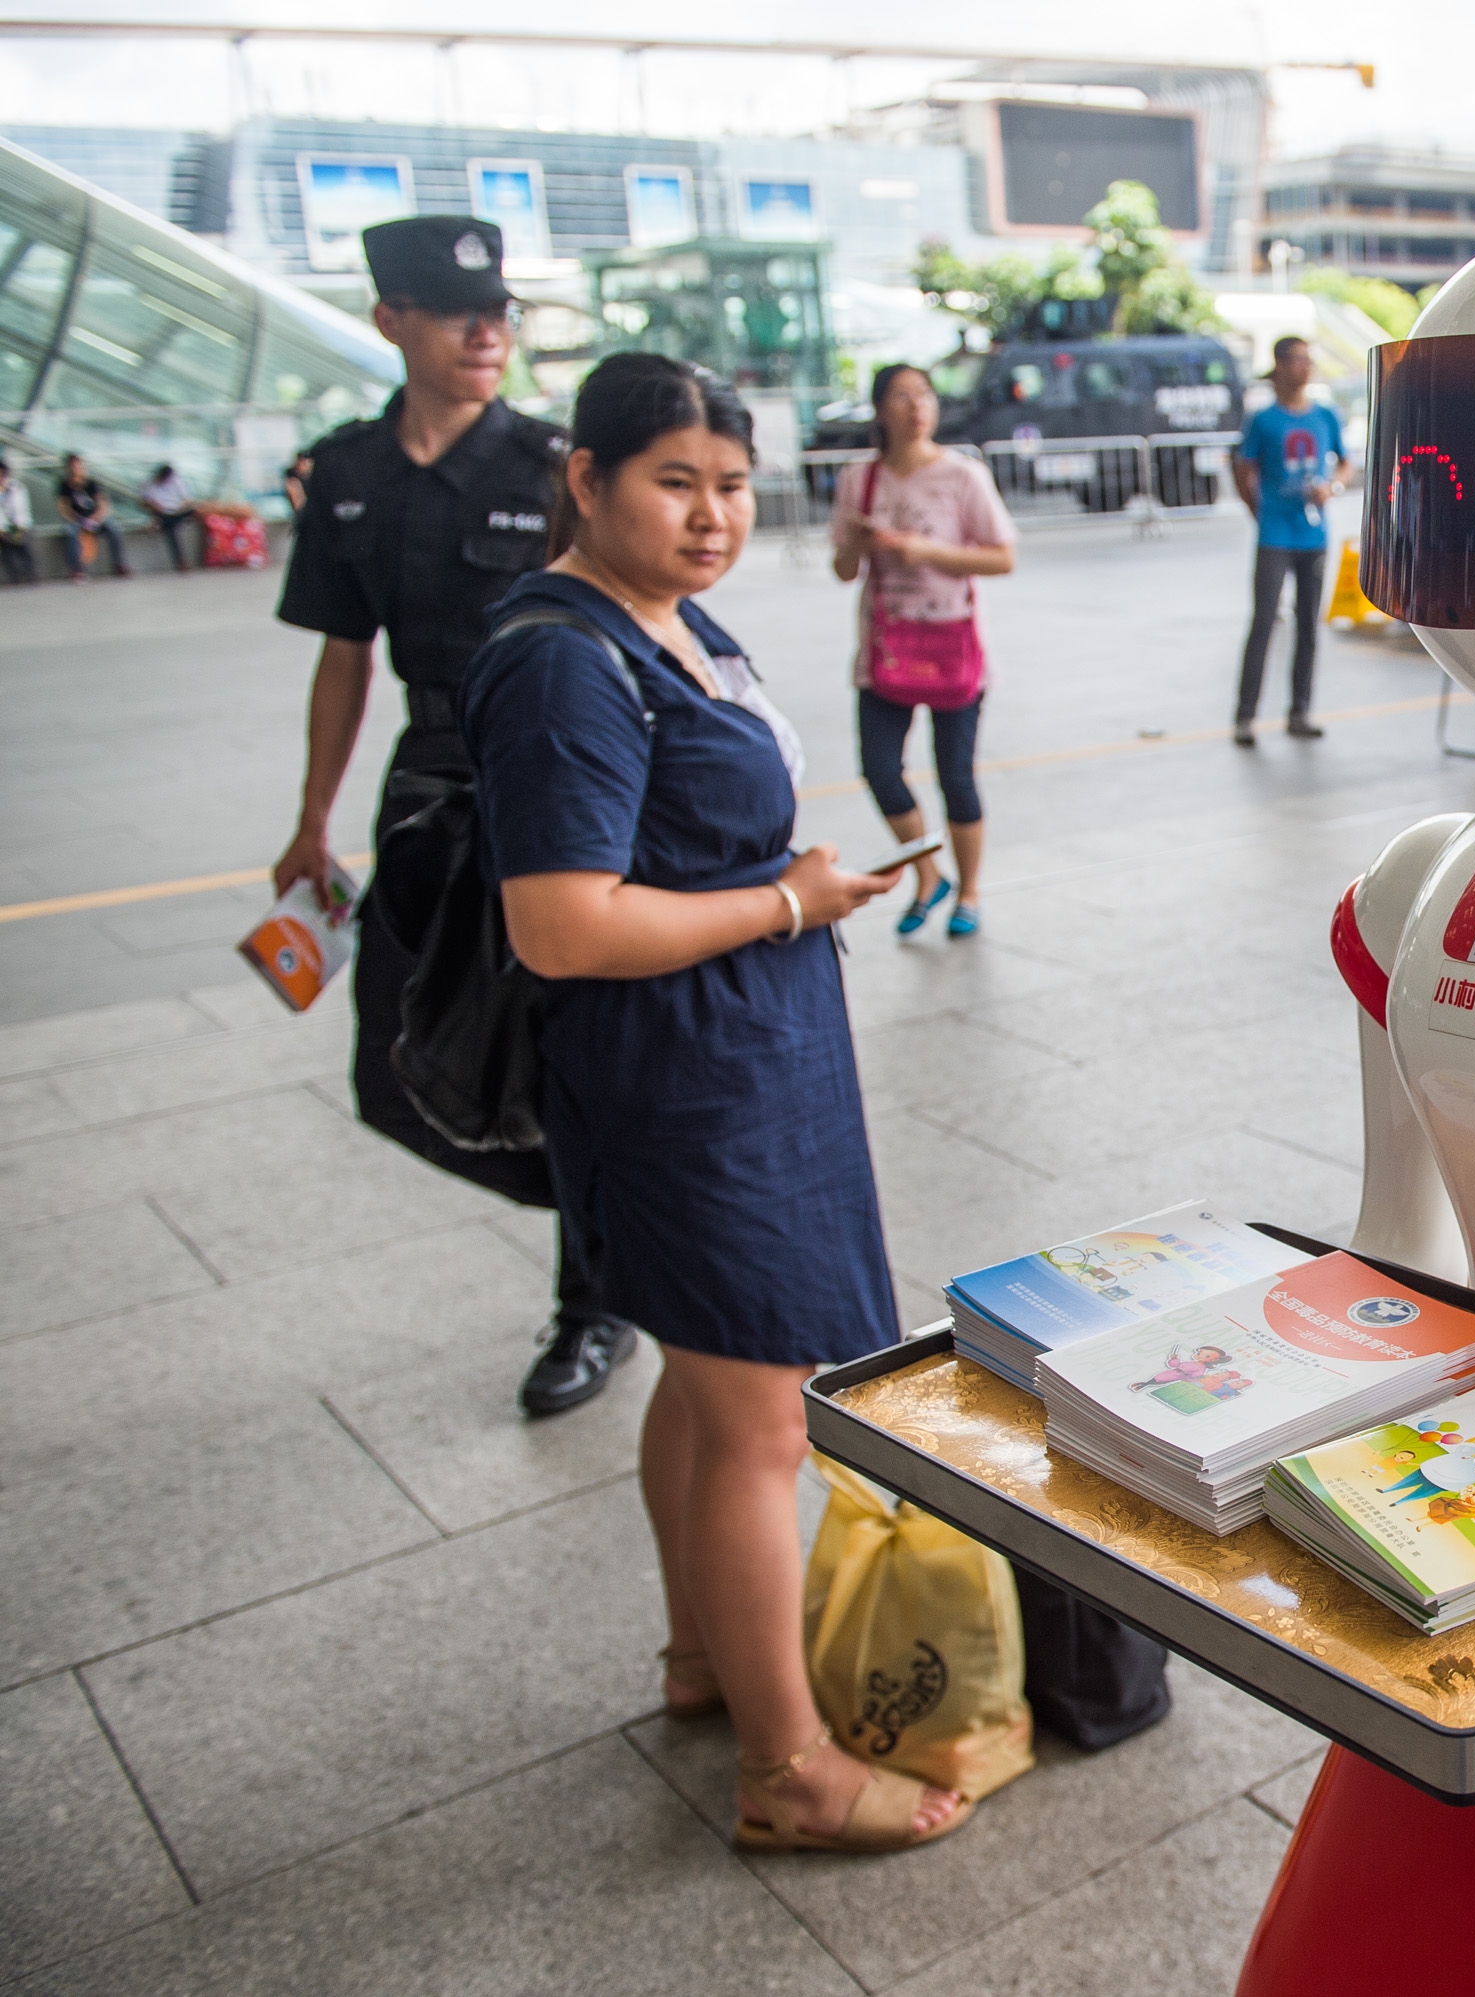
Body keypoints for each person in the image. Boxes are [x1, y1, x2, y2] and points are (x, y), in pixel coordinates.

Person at [463, 352, 964, 1855]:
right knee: (763, 1424)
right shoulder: (565, 656)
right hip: (680, 1080)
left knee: (700, 1387)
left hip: (733, 1051)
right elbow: (561, 923)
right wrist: (785, 902)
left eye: (733, 486)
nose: (709, 516)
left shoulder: (668, 624)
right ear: (585, 479)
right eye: (672, 483)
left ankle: (701, 1659)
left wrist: (796, 894)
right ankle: (788, 1769)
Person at [271, 215, 636, 1416]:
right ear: (392, 322)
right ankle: (607, 1207)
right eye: (455, 311)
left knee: (557, 1046)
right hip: (426, 783)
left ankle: (595, 1297)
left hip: (549, 775)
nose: (489, 331)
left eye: (500, 312)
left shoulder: (550, 463)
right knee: (395, 1063)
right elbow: (343, 657)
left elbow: (627, 623)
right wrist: (313, 818)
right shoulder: (347, 475)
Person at [831, 362, 1018, 939]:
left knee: (955, 776)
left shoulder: (962, 476)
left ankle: (968, 891)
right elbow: (842, 569)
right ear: (880, 408)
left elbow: (1002, 557)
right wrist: (860, 547)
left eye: (925, 395)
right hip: (886, 649)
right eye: (903, 396)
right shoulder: (859, 479)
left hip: (951, 645)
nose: (917, 407)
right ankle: (927, 873)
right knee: (881, 771)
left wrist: (924, 550)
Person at [1230, 336, 1348, 747]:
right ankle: (1245, 716)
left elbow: (1345, 462)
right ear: (1280, 366)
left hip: (1312, 534)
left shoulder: (1326, 415)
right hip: (1275, 534)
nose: (1304, 367)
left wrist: (1331, 487)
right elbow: (1243, 469)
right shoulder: (1263, 421)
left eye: (1308, 360)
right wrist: (1258, 510)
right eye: (1297, 360)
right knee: (1264, 621)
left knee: (1308, 626)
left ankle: (1300, 710)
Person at [57, 454, 127, 580]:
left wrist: (94, 519)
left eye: (78, 465)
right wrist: (78, 519)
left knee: (114, 529)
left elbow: (103, 504)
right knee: (70, 532)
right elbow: (63, 507)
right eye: (72, 466)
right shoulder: (64, 485)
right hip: (77, 520)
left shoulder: (91, 483)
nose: (75, 469)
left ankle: (119, 564)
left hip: (95, 519)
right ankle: (77, 569)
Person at [140, 462, 201, 571]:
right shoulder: (150, 485)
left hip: (177, 511)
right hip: (163, 513)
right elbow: (145, 502)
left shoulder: (177, 481)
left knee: (197, 510)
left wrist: (180, 507)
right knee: (171, 529)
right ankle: (181, 562)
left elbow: (187, 499)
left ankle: (157, 522)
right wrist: (156, 507)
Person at [0, 460, 33, 585]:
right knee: (6, 548)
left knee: (23, 542)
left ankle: (29, 573)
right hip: (3, 528)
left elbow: (21, 510)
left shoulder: (17, 488)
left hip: (20, 525)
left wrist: (18, 528)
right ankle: (15, 576)